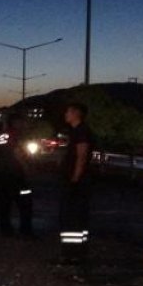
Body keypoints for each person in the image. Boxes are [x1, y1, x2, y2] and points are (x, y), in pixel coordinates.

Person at [57, 103, 94, 265]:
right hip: (76, 181)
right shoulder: (76, 132)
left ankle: (72, 254)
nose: (66, 114)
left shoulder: (81, 132)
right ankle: (76, 252)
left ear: (76, 113)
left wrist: (74, 179)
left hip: (76, 182)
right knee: (75, 218)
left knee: (72, 218)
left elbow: (82, 156)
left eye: (68, 111)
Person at [0, 115, 34, 238]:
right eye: (22, 122)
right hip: (17, 175)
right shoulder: (15, 135)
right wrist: (26, 168)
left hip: (2, 175)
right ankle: (25, 231)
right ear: (16, 123)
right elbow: (17, 153)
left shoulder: (1, 136)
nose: (24, 124)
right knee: (25, 203)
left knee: (4, 204)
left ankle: (6, 230)